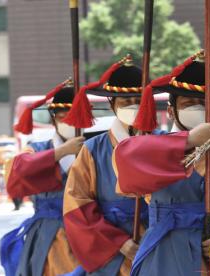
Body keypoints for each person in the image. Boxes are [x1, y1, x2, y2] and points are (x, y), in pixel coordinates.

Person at [112, 51, 210, 275]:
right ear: (172, 111)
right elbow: (124, 159)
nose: (198, 108)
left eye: (204, 103)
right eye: (189, 103)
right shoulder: (153, 148)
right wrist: (190, 140)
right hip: (164, 257)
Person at [62, 55, 149, 275]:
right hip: (111, 249)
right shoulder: (92, 150)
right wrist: (120, 242)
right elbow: (76, 205)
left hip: (157, 244)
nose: (133, 106)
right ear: (112, 104)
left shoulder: (161, 143)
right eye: (125, 102)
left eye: (138, 100)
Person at [0, 79, 81, 276]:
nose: (68, 122)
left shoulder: (95, 147)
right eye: (63, 117)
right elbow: (16, 171)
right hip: (49, 233)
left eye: (73, 117)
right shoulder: (37, 148)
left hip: (88, 230)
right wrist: (59, 152)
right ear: (53, 120)